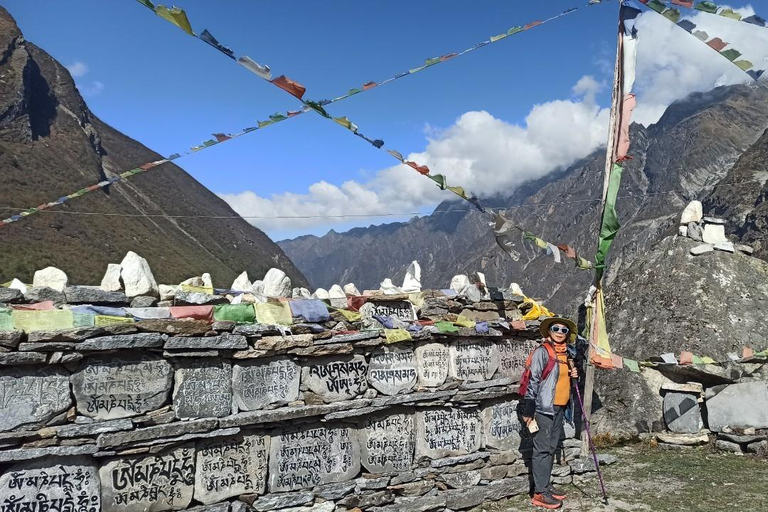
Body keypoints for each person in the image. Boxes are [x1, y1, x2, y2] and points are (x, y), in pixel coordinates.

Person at [522, 316, 579, 510]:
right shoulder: (542, 352)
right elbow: (533, 380)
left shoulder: (567, 355)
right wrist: (529, 409)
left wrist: (574, 376)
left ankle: (545, 486)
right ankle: (539, 493)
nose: (560, 332)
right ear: (549, 331)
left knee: (551, 447)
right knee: (542, 449)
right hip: (544, 408)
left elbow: (562, 382)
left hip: (560, 407)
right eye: (556, 328)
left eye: (564, 330)